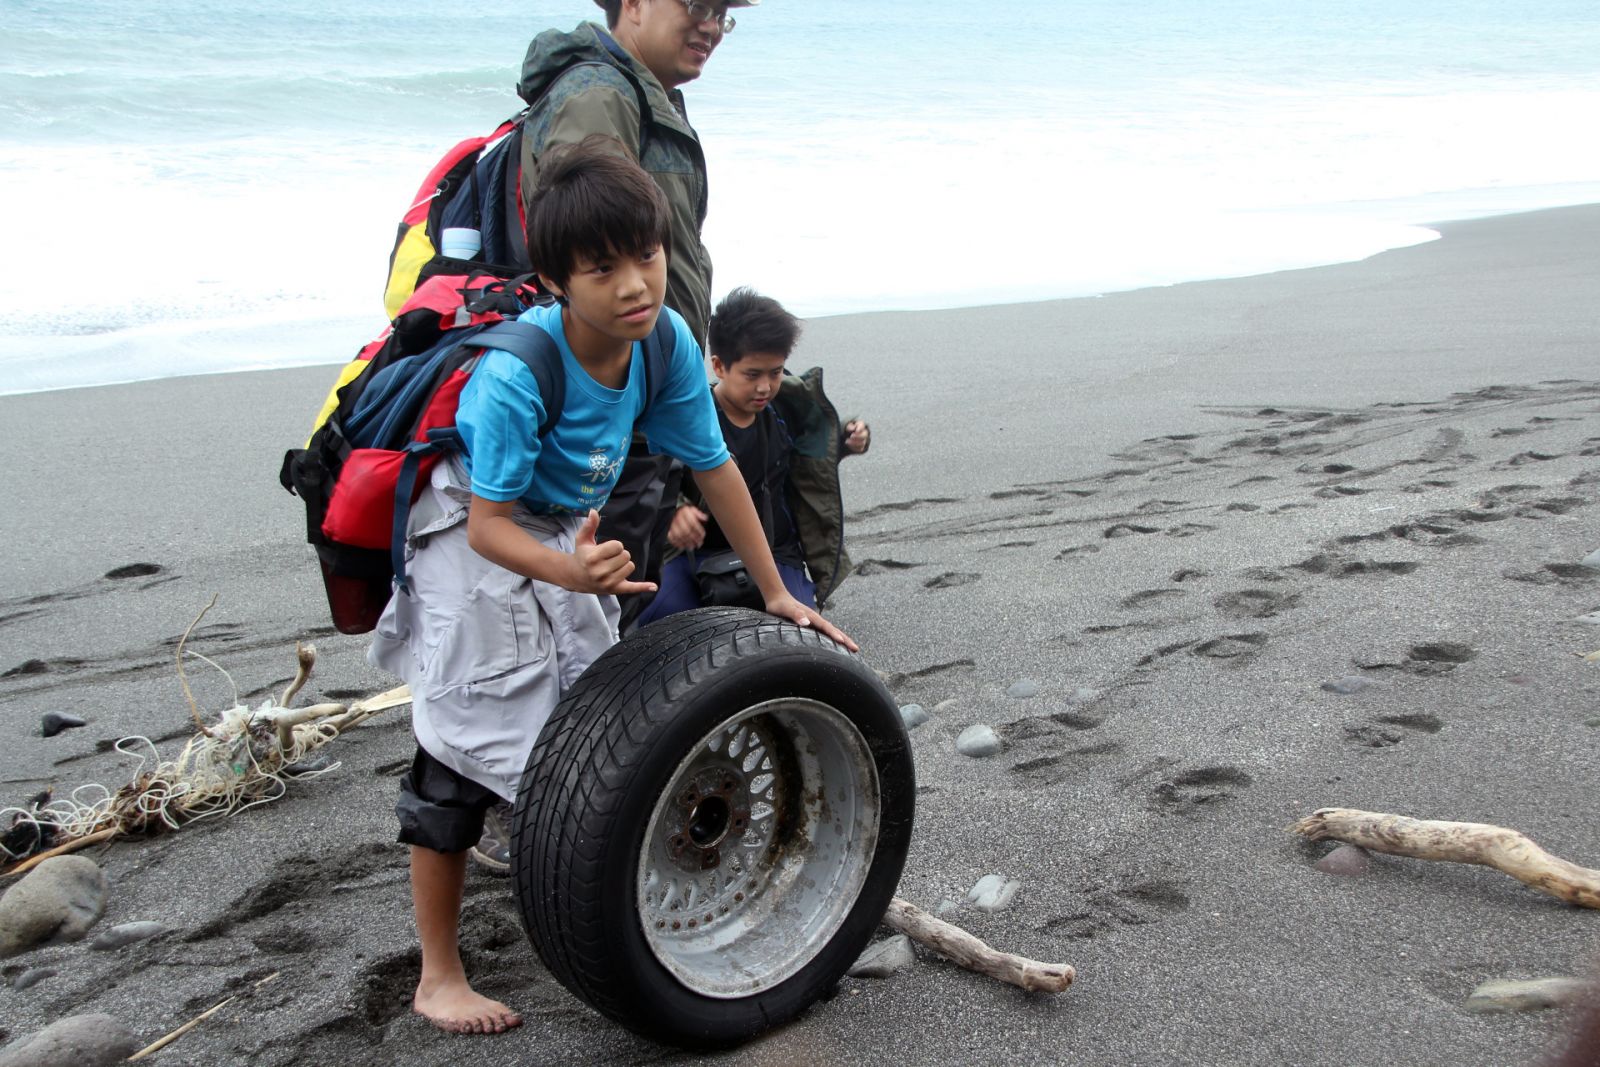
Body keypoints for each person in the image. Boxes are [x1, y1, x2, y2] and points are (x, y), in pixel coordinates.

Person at [368, 140, 855, 1035]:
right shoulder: (517, 377)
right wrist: (566, 570)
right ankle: (437, 972)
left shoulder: (663, 336)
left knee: (593, 714)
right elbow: (487, 525)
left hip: (558, 527)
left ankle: (544, 846)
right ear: (557, 279)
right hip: (470, 534)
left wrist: (777, 592)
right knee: (460, 735)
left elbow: (713, 466)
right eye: (603, 269)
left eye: (648, 256)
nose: (634, 284)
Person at [467, 0, 759, 874]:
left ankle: (564, 809)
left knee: (603, 612)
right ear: (631, 4)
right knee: (582, 615)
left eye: (724, 15)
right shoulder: (599, 93)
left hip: (640, 394)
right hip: (600, 410)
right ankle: (545, 816)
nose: (710, 25)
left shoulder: (647, 95)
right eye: (695, 5)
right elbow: (575, 240)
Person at [633, 287, 870, 628]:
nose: (765, 387)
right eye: (752, 374)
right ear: (719, 365)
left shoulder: (789, 410)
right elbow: (652, 472)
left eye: (775, 372)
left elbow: (815, 451)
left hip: (774, 553)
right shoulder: (689, 415)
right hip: (696, 555)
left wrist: (850, 437)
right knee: (659, 624)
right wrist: (676, 512)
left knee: (798, 630)